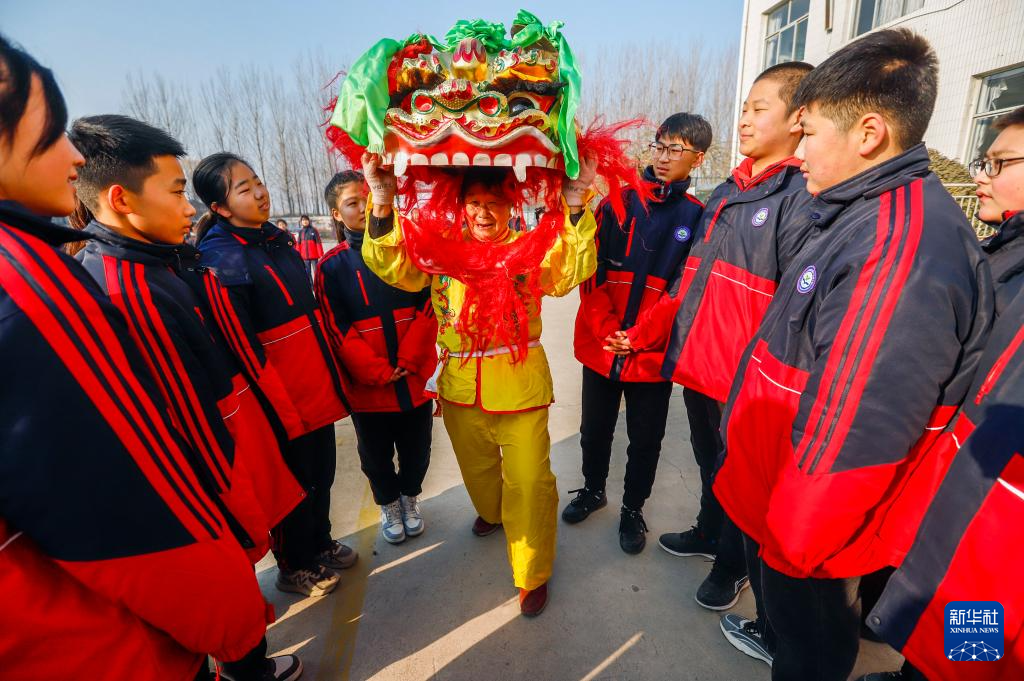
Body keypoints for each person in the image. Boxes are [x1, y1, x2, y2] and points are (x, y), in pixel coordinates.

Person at [713, 29, 993, 681]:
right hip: (782, 499)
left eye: (809, 133)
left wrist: (791, 540)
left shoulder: (897, 248)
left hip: (806, 528)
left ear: (868, 133)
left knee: (809, 651)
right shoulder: (856, 212)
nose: (799, 149)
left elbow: (854, 429)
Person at [0, 35, 268, 681]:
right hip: (102, 638)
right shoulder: (27, 291)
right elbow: (123, 500)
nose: (72, 158)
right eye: (52, 133)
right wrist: (231, 609)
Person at [70, 114, 306, 681]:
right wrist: (235, 511)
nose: (188, 210)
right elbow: (189, 423)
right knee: (225, 598)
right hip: (202, 481)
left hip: (212, 458)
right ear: (122, 199)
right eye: (177, 192)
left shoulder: (149, 263)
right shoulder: (131, 289)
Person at [615, 62, 815, 631]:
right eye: (744, 109)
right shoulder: (731, 190)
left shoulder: (800, 196)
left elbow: (795, 312)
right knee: (710, 461)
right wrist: (649, 331)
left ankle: (734, 564)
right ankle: (709, 531)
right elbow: (689, 280)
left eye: (758, 109)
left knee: (743, 472)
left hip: (745, 376)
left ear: (799, 117)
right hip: (701, 363)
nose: (745, 120)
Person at [361, 151, 599, 617]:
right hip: (460, 385)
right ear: (460, 204)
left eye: (494, 201)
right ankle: (492, 514)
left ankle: (532, 572)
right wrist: (383, 197)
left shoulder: (532, 248)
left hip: (521, 385)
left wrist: (574, 200)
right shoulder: (440, 251)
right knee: (480, 474)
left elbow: (571, 268)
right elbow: (394, 267)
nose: (483, 212)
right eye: (474, 201)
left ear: (512, 204)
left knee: (529, 482)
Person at [858, 106, 1024, 681]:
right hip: (961, 482)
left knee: (972, 633)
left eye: (999, 163)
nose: (982, 174)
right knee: (938, 619)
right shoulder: (1007, 251)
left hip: (999, 512)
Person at [192, 152, 356, 598]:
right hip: (279, 401)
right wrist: (279, 410)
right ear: (219, 208)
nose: (260, 192)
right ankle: (293, 564)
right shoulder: (221, 261)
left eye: (258, 181)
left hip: (313, 388)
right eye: (244, 189)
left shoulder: (274, 240)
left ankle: (318, 542)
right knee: (293, 486)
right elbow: (243, 349)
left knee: (322, 473)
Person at [564, 112, 709, 555]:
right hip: (602, 344)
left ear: (697, 160)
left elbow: (684, 288)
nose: (663, 158)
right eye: (659, 146)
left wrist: (640, 336)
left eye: (676, 150)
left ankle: (632, 508)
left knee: (646, 438)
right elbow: (591, 272)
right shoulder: (616, 203)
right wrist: (609, 331)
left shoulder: (697, 217)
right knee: (595, 429)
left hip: (651, 353)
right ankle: (592, 490)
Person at [316, 170, 437, 544]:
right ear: (337, 214)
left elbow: (430, 306)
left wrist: (410, 358)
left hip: (413, 378)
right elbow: (336, 328)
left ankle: (410, 497)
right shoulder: (331, 267)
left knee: (417, 451)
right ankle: (389, 504)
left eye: (369, 197)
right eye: (352, 202)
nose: (364, 207)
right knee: (376, 457)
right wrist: (375, 370)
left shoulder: (410, 253)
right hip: (370, 388)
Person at [295, 214, 323, 283]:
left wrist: (321, 254)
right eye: (303, 220)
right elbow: (298, 244)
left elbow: (318, 242)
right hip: (304, 257)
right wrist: (298, 255)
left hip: (314, 256)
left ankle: (318, 284)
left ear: (309, 221)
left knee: (316, 271)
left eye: (306, 220)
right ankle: (311, 286)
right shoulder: (301, 232)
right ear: (301, 222)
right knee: (307, 272)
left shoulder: (314, 230)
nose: (305, 221)